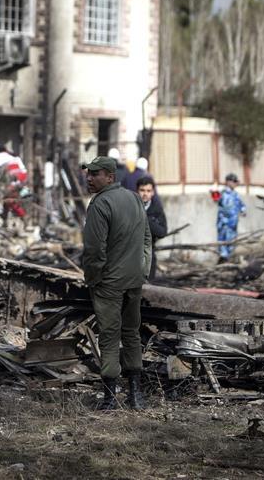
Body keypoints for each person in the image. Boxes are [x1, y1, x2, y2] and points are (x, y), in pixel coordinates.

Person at [80, 156, 152, 411]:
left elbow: (93, 250)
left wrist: (93, 278)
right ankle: (135, 396)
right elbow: (147, 239)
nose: (89, 178)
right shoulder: (134, 198)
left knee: (109, 335)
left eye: (95, 174)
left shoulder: (100, 204)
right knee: (132, 333)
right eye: (88, 173)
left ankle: (110, 399)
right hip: (134, 280)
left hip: (109, 282)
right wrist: (143, 270)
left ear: (110, 177)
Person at [136, 176, 167, 282]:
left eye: (148, 191)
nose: (145, 194)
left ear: (153, 192)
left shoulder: (156, 209)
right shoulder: (129, 207)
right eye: (142, 190)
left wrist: (147, 220)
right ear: (137, 191)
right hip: (130, 256)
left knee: (148, 289)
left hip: (149, 254)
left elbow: (162, 232)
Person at [217, 173, 246, 263]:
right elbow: (221, 204)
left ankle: (229, 259)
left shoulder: (235, 194)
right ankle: (223, 260)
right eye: (233, 181)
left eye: (236, 182)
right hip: (224, 223)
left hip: (233, 223)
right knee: (223, 242)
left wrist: (243, 210)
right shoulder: (223, 194)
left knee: (232, 242)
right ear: (228, 182)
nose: (235, 183)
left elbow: (241, 204)